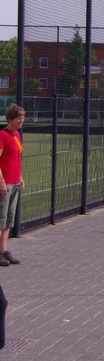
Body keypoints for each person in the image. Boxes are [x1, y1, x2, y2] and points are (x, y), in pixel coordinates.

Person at [0, 104, 25, 267]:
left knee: (8, 220)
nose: (21, 120)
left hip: (15, 183)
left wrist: (20, 177)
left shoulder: (17, 134)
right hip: (5, 184)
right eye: (18, 118)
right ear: (10, 119)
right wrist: (1, 181)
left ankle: (4, 250)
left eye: (23, 117)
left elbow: (17, 158)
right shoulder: (2, 135)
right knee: (0, 219)